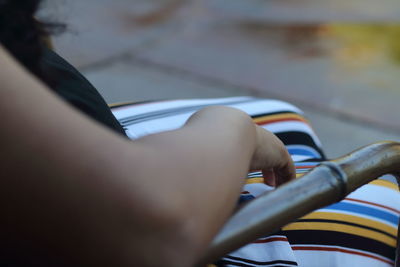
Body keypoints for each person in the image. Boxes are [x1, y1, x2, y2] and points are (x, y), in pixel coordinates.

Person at [0, 1, 399, 267]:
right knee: (385, 201)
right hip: (104, 227)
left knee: (286, 122)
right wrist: (235, 129)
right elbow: (149, 228)